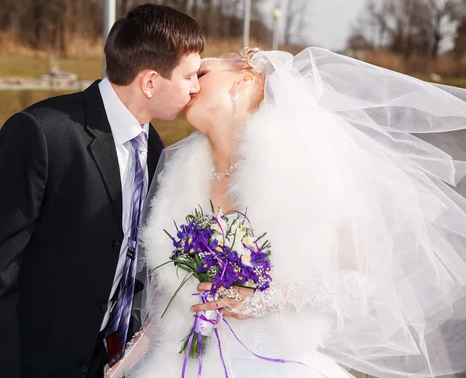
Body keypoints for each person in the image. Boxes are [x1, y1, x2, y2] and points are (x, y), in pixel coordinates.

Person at [111, 48, 466, 378]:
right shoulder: (177, 177)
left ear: (244, 80)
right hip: (184, 365)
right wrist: (124, 364)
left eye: (201, 73)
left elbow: (358, 286)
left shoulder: (307, 170)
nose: (188, 84)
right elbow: (168, 304)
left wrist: (265, 299)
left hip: (274, 362)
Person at [0, 3, 204, 378]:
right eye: (189, 76)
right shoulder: (41, 132)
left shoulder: (151, 147)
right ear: (150, 82)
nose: (196, 87)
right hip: (18, 359)